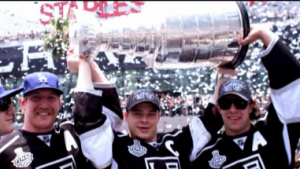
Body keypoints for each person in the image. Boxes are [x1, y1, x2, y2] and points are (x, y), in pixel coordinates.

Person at [67, 48, 223, 168]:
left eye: (150, 114)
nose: (144, 120)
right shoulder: (117, 147)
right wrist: (85, 63)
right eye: (138, 113)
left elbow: (211, 119)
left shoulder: (174, 143)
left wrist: (225, 74)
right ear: (126, 116)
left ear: (158, 117)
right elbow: (89, 118)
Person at [190, 25, 300, 168]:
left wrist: (264, 34)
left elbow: (291, 84)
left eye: (240, 103)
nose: (233, 109)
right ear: (219, 108)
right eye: (225, 103)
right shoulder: (208, 155)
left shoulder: (272, 136)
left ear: (251, 106)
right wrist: (225, 74)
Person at [0, 68, 109, 168]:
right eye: (36, 98)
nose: (44, 105)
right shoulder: (5, 150)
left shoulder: (74, 133)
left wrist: (84, 62)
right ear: (23, 104)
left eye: (50, 98)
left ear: (59, 103)